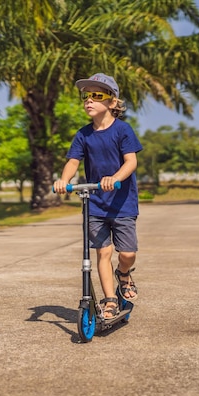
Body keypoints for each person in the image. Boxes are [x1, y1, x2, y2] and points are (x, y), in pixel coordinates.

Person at [53, 73, 143, 319]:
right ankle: (110, 300)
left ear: (112, 102)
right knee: (103, 252)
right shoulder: (83, 134)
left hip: (122, 203)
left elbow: (131, 162)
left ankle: (123, 274)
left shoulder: (123, 130)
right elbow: (73, 162)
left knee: (127, 254)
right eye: (86, 96)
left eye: (96, 96)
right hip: (96, 205)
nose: (88, 101)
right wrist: (64, 180)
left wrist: (115, 178)